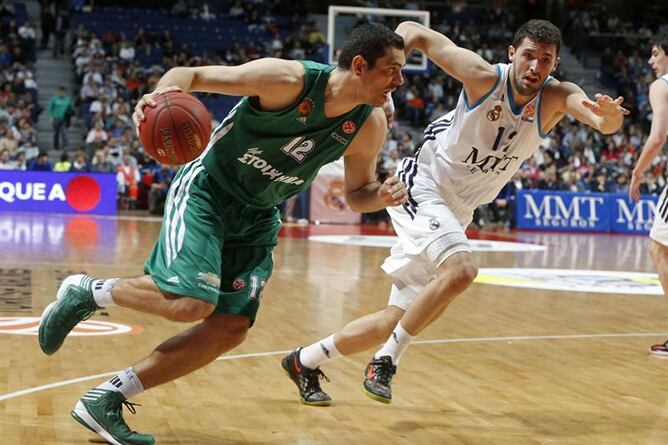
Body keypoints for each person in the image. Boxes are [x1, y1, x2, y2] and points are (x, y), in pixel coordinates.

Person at [38, 22, 407, 444]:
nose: (399, 80)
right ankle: (87, 291)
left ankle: (107, 398)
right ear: (359, 65)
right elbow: (191, 76)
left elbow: (359, 193)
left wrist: (383, 196)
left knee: (230, 327)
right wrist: (157, 96)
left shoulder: (368, 124)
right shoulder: (286, 80)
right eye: (392, 70)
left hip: (259, 214)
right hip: (209, 190)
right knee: (191, 302)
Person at [282, 19, 630, 407]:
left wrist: (610, 117)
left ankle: (304, 361)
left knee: (395, 318)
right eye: (529, 56)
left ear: (556, 63)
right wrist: (391, 88)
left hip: (459, 208)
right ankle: (385, 361)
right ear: (512, 54)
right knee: (462, 269)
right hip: (423, 183)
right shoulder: (482, 77)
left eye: (545, 60)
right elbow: (411, 29)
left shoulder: (557, 96)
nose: (535, 67)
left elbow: (601, 121)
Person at [629, 33, 668, 357]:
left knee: (660, 249)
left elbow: (657, 137)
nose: (650, 60)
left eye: (655, 53)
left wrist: (637, 171)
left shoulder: (662, 85)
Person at [47, 86, 72, 150]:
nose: (62, 93)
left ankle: (65, 145)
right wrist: (50, 117)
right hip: (56, 118)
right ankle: (56, 146)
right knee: (56, 133)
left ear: (65, 92)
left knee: (64, 132)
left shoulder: (68, 99)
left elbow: (71, 109)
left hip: (64, 119)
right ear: (59, 92)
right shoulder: (54, 99)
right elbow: (50, 109)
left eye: (63, 92)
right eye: (60, 91)